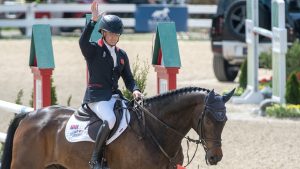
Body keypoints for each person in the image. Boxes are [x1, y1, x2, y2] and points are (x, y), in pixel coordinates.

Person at [79, 0, 142, 168]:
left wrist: (135, 89)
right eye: (110, 33)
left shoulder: (122, 55)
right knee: (110, 118)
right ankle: (95, 159)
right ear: (103, 33)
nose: (113, 37)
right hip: (97, 97)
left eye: (116, 34)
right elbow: (82, 42)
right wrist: (93, 21)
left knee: (132, 117)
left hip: (115, 96)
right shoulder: (93, 50)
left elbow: (128, 78)